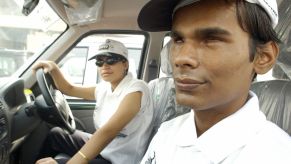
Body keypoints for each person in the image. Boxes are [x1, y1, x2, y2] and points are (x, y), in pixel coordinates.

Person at [138, 0, 291, 163]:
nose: (181, 58)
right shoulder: (167, 132)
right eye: (178, 39)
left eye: (211, 39)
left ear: (263, 57)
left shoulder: (278, 155)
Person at [33, 39, 153, 164]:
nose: (104, 66)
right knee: (56, 135)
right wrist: (53, 68)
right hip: (106, 148)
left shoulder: (136, 89)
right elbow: (70, 89)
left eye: (111, 60)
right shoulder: (105, 87)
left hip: (119, 159)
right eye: (99, 62)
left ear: (125, 64)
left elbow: (108, 131)